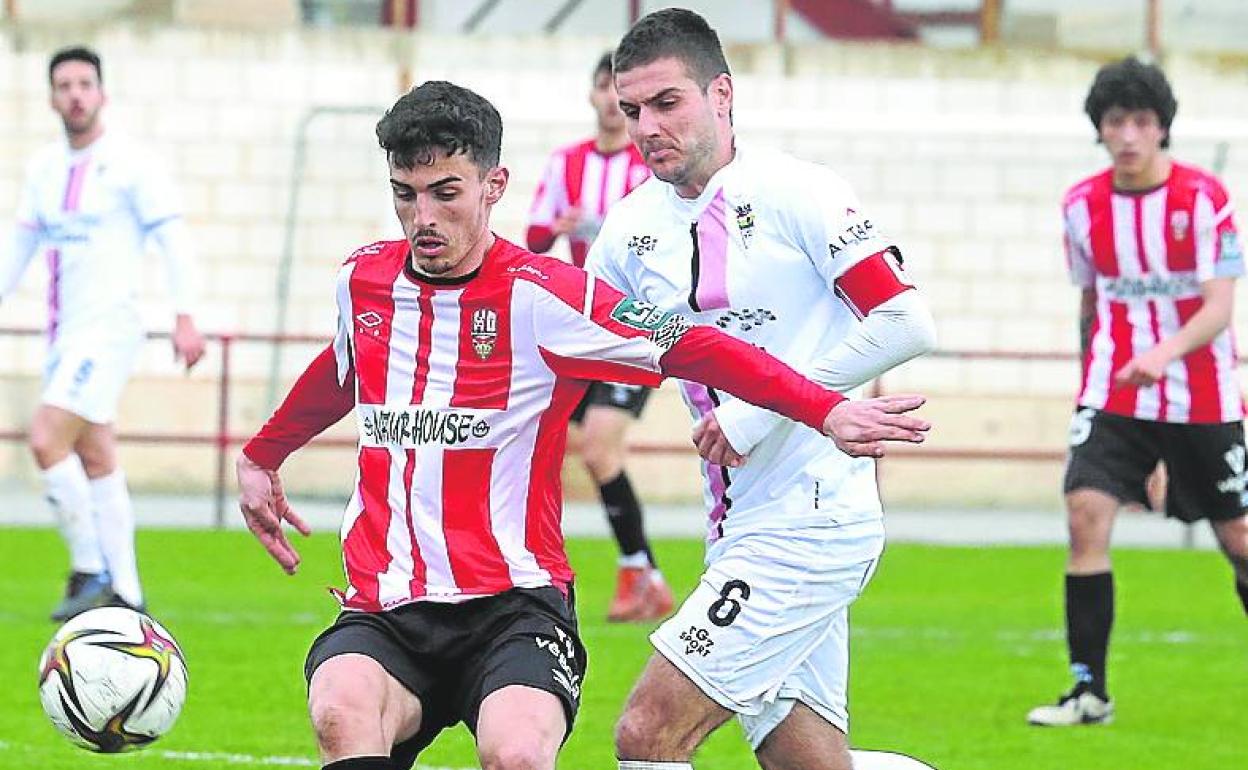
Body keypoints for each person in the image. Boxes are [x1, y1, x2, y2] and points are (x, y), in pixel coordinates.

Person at [234, 80, 930, 770]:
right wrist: (263, 456)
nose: (422, 218)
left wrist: (826, 407)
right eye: (405, 194)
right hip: (385, 605)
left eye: (445, 193)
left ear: (493, 184)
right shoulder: (364, 281)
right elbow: (345, 367)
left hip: (514, 608)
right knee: (339, 711)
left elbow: (696, 347)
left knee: (518, 753)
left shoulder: (544, 297)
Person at [585, 10, 938, 770]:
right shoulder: (626, 233)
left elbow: (906, 318)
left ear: (722, 93)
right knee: (809, 765)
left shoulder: (797, 193)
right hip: (735, 525)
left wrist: (757, 411)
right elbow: (587, 355)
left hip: (814, 522)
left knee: (647, 733)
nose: (648, 127)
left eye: (667, 103)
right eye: (632, 110)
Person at [1027, 56, 1248, 727]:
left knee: (1239, 540)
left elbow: (1218, 307)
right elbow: (1092, 300)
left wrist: (1163, 352)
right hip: (1114, 396)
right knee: (1084, 515)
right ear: (1100, 129)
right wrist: (1089, 379)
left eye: (1141, 121)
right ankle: (1088, 692)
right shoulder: (1081, 206)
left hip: (1201, 397)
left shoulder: (1204, 198)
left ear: (1161, 130)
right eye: (1115, 121)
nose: (1128, 134)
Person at [1, 45, 205, 622]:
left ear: (102, 94)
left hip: (109, 330)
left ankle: (91, 567)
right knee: (95, 456)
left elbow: (172, 238)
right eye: (63, 85)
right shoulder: (43, 169)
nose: (74, 94)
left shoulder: (131, 164)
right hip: (64, 336)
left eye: (84, 84)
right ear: (51, 98)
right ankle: (131, 595)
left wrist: (185, 313)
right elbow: (16, 248)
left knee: (46, 437)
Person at [526, 52, 670, 623]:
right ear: (592, 95)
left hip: (634, 329)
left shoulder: (650, 165)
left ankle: (637, 570)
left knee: (600, 447)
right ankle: (639, 574)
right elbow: (535, 235)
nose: (612, 100)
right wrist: (560, 228)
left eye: (622, 92)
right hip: (578, 328)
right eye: (604, 88)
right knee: (547, 444)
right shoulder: (567, 163)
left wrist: (602, 223)